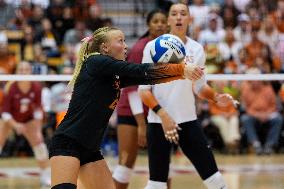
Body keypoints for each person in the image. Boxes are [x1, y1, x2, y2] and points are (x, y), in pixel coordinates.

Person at [48, 26, 204, 189]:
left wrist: (183, 74)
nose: (125, 45)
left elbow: (146, 78)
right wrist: (181, 69)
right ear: (105, 47)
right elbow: (140, 70)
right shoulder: (95, 62)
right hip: (68, 142)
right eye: (120, 41)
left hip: (90, 149)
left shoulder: (113, 75)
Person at [138, 3, 236, 189]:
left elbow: (200, 87)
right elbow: (143, 91)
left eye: (183, 13)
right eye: (174, 14)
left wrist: (215, 97)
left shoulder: (197, 49)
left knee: (214, 178)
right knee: (157, 183)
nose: (179, 17)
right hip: (159, 122)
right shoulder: (153, 47)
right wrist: (164, 116)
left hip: (188, 121)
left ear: (189, 19)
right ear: (168, 20)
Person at [112, 9, 168, 189]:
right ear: (148, 25)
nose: (159, 24)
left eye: (162, 21)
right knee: (125, 165)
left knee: (164, 167)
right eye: (155, 21)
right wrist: (141, 125)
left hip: (155, 110)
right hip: (131, 109)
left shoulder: (170, 46)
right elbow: (132, 88)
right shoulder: (140, 48)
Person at [0, 61, 50, 186]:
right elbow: (5, 112)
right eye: (20, 69)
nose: (23, 72)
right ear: (16, 72)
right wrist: (15, 125)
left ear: (30, 72)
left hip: (28, 120)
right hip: (10, 120)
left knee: (40, 146)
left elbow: (38, 110)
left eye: (26, 69)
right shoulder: (10, 87)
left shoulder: (36, 87)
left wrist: (37, 129)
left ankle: (45, 175)